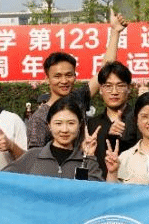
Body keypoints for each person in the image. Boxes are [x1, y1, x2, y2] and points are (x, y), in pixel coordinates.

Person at [26, 13, 127, 148]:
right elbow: (34, 155)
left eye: (69, 75)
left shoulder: (78, 98)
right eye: (57, 76)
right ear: (47, 79)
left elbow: (105, 70)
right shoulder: (39, 118)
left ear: (75, 76)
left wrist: (115, 32)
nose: (64, 81)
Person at [4, 97, 102, 181]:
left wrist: (90, 156)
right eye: (58, 123)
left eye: (71, 123)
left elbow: (97, 191)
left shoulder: (86, 161)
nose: (64, 130)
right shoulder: (32, 156)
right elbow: (1, 180)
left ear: (80, 125)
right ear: (49, 125)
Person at [86, 61, 137, 173]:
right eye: (108, 86)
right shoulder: (92, 124)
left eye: (120, 86)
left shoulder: (139, 120)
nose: (114, 92)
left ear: (129, 88)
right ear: (100, 89)